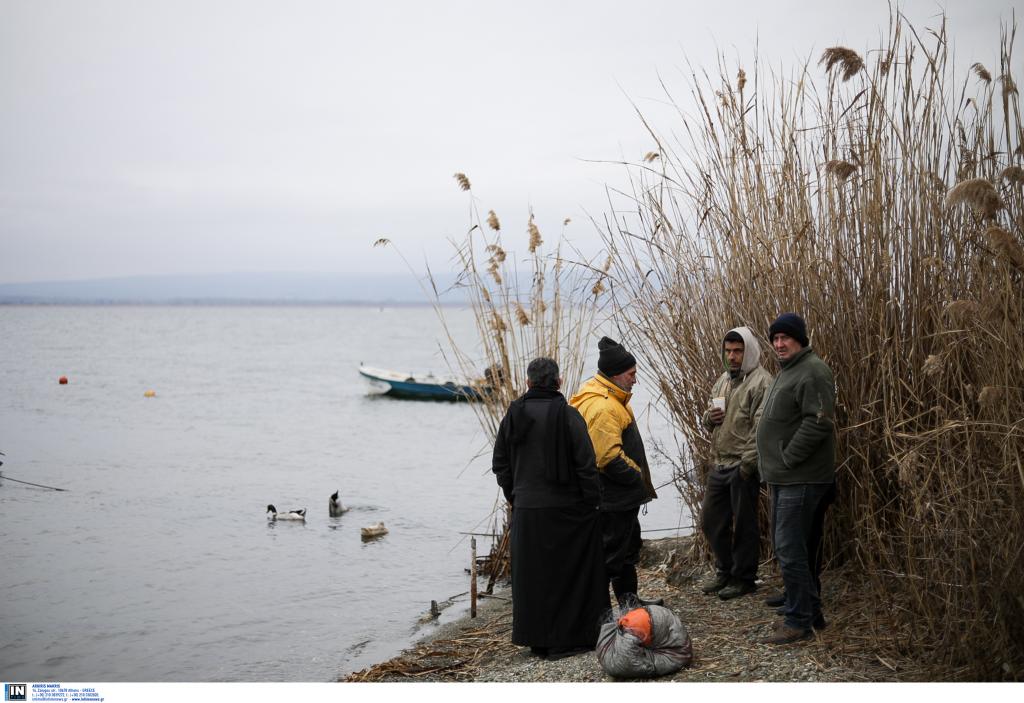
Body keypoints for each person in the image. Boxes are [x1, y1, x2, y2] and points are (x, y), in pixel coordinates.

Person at [492, 357, 608, 659]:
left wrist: (516, 496)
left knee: (533, 576)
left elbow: (500, 464)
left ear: (528, 383)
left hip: (527, 510)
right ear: (558, 382)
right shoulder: (568, 415)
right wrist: (593, 502)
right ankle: (566, 639)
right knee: (569, 573)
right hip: (566, 510)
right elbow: (586, 466)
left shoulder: (514, 414)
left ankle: (536, 640)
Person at [755, 313, 837, 644]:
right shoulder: (791, 370)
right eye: (774, 338)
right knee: (798, 547)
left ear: (800, 338)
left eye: (785, 337)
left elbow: (819, 422)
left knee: (790, 548)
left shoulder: (813, 371)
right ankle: (810, 613)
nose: (778, 343)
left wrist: (787, 457)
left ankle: (799, 621)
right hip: (787, 477)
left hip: (800, 478)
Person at [570, 336, 661, 608]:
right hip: (613, 497)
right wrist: (638, 478)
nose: (635, 379)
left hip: (612, 497)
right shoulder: (604, 406)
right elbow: (608, 458)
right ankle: (600, 612)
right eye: (632, 374)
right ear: (616, 374)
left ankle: (629, 604)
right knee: (612, 555)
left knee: (624, 552)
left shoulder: (601, 393)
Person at [699, 326, 773, 600]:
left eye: (738, 351)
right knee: (710, 520)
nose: (732, 356)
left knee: (744, 524)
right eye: (728, 351)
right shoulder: (723, 380)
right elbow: (708, 418)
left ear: (749, 351)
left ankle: (743, 578)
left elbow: (761, 428)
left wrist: (747, 465)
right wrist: (709, 418)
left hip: (742, 465)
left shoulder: (762, 382)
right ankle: (725, 570)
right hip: (719, 464)